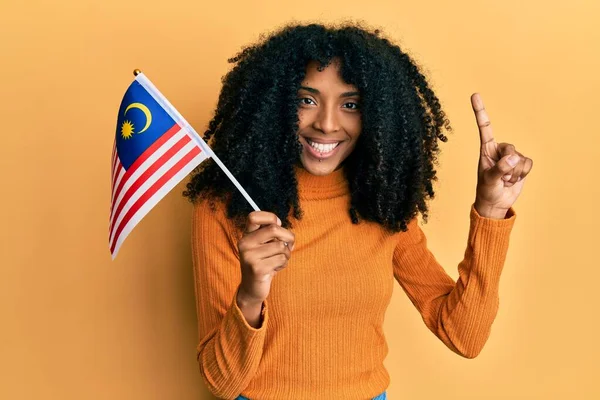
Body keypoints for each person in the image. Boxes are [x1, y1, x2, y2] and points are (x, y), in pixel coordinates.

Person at [184, 22, 533, 400]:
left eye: (350, 105)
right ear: (274, 104)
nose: (327, 124)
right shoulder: (224, 208)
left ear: (377, 116)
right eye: (306, 100)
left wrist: (491, 212)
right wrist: (250, 296)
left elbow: (464, 336)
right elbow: (221, 382)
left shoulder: (381, 204)